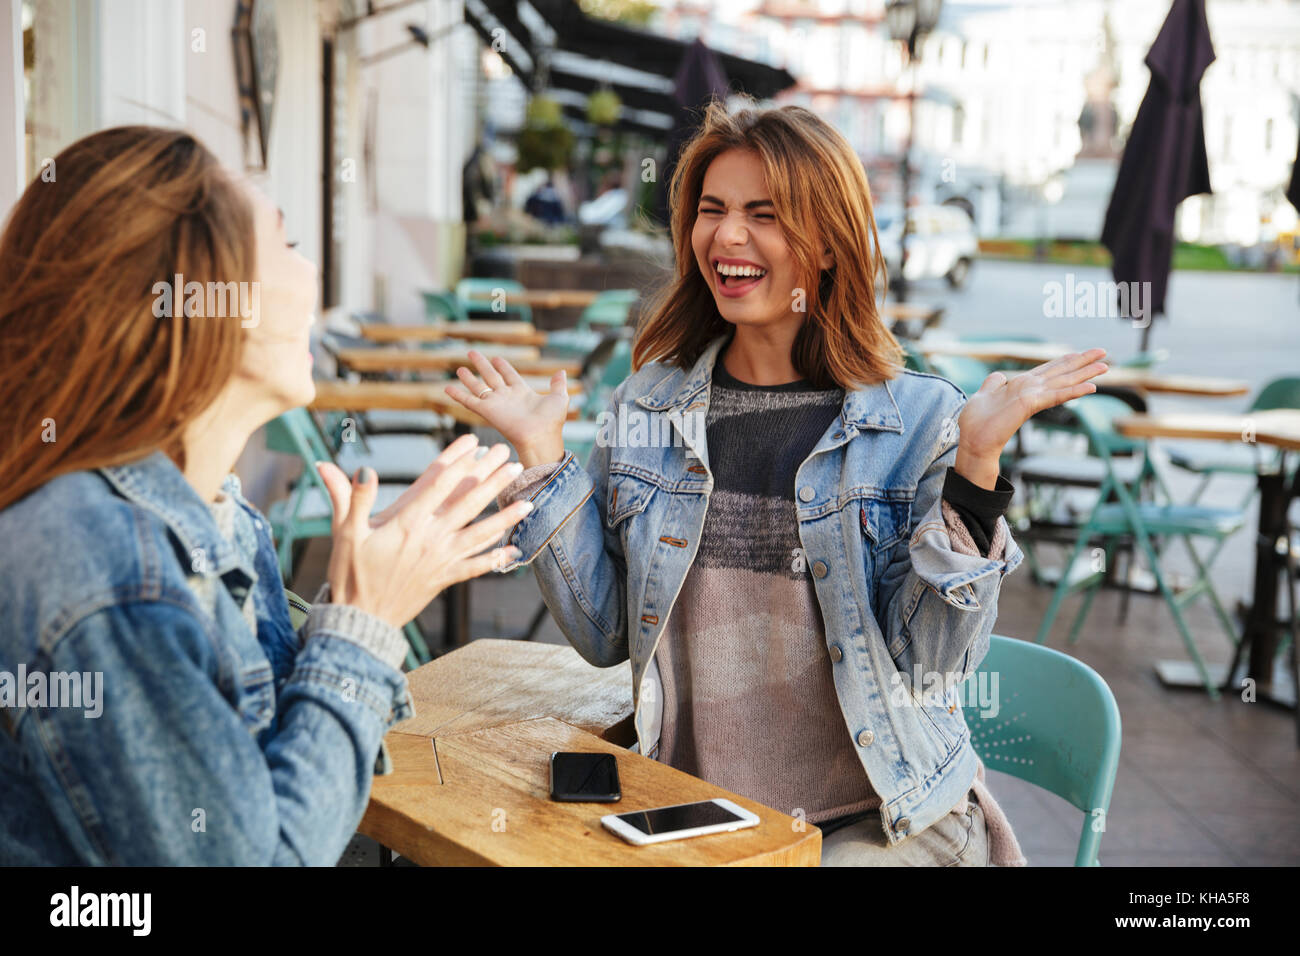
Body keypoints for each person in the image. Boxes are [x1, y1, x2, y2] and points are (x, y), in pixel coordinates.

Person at [446, 101, 1107, 866]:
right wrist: (539, 452)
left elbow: (931, 663)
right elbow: (606, 636)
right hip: (701, 816)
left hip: (877, 820)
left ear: (826, 245)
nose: (727, 235)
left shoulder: (922, 422)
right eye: (712, 210)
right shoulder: (648, 406)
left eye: (765, 214)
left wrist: (976, 472)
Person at [0, 126, 533, 865]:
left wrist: (363, 598)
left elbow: (268, 762)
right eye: (285, 243)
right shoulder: (105, 566)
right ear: (206, 295)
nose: (310, 272)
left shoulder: (221, 520)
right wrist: (362, 623)